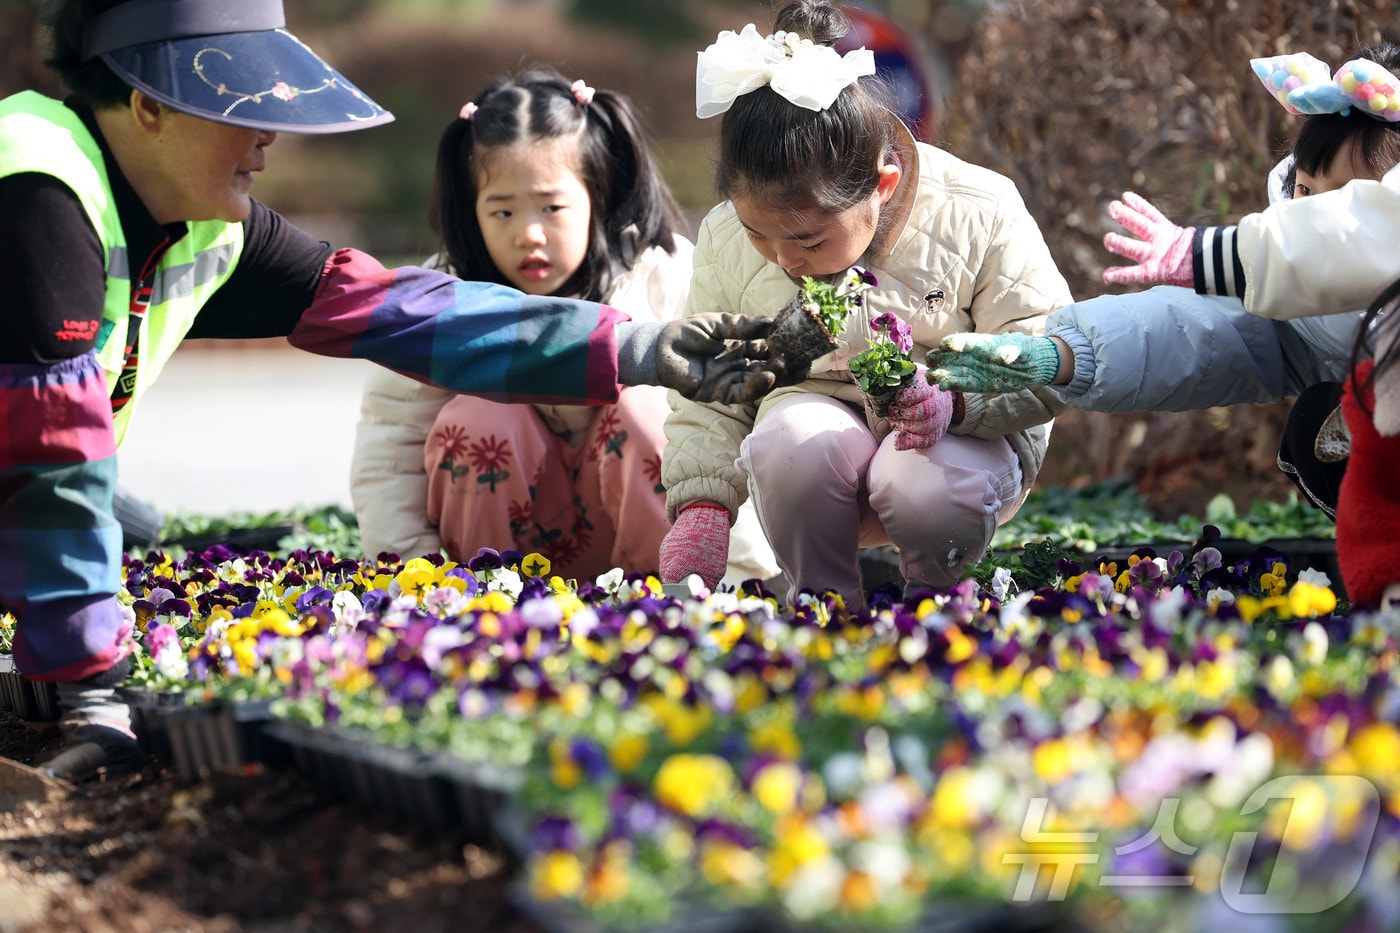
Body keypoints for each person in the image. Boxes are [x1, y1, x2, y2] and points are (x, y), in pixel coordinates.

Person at [0, 0, 780, 782]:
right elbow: (53, 466)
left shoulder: (198, 221)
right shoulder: (40, 188)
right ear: (149, 105)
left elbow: (410, 315)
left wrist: (638, 346)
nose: (270, 135)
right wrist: (91, 690)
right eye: (239, 103)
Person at [658, 0, 1071, 609]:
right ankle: (823, 607)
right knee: (791, 443)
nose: (782, 259)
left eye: (807, 238)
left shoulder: (979, 210)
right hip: (821, 434)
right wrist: (701, 502)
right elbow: (714, 379)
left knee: (918, 485)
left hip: (961, 442)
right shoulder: (723, 237)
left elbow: (1050, 352)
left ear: (882, 185)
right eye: (757, 233)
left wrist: (956, 398)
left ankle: (936, 608)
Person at [925, 45, 1400, 520]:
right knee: (1320, 428)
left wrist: (1211, 253)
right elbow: (1209, 330)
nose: (1311, 214)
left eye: (1344, 201)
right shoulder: (1307, 300)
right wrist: (1065, 354)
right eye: (1306, 189)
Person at [351, 69, 779, 584]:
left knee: (647, 405)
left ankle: (680, 594)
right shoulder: (443, 296)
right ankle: (485, 597)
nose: (529, 235)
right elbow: (391, 443)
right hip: (504, 572)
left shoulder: (663, 273)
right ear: (472, 211)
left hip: (649, 556)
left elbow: (724, 424)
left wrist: (740, 580)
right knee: (481, 415)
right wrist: (417, 579)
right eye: (502, 211)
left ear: (598, 192)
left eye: (552, 207)